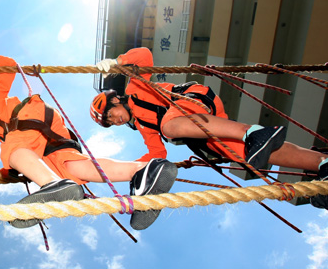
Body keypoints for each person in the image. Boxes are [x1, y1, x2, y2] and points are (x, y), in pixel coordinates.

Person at [0, 55, 178, 230]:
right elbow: (22, 166)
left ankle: (53, 185)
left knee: (11, 149)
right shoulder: (2, 133)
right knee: (73, 168)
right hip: (51, 140)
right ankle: (145, 172)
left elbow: (8, 65)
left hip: (32, 120)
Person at [92, 47, 328, 209]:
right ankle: (321, 162)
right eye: (111, 123)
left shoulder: (135, 88)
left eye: (111, 115)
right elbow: (157, 154)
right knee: (250, 153)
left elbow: (143, 55)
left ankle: (253, 131)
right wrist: (130, 172)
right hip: (209, 126)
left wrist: (117, 62)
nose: (115, 121)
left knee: (170, 128)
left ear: (116, 100)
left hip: (191, 102)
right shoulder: (145, 128)